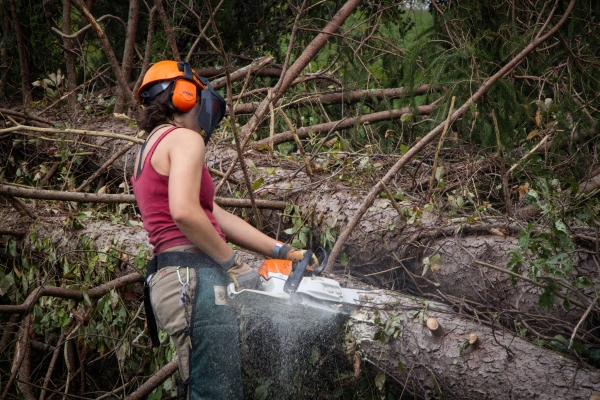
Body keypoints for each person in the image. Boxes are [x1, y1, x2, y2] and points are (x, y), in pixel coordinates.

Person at [130, 60, 316, 399]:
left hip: (176, 280)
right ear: (185, 96)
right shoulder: (185, 139)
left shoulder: (150, 149)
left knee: (206, 389)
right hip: (196, 279)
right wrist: (233, 263)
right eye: (200, 98)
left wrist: (283, 251)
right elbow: (185, 213)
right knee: (217, 394)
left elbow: (211, 213)